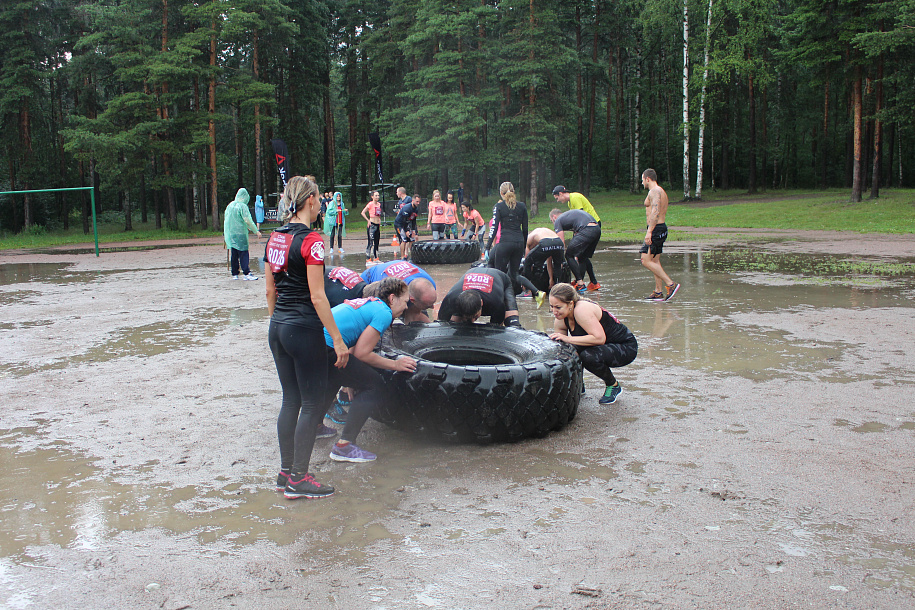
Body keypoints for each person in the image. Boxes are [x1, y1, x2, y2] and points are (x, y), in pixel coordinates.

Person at [264, 176, 349, 500]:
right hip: (302, 327)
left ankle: (286, 472)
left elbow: (270, 289)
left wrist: (280, 322)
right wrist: (338, 340)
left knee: (291, 400)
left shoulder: (276, 236)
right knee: (313, 403)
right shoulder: (312, 240)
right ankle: (299, 478)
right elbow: (318, 296)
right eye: (318, 200)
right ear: (311, 199)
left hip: (278, 327)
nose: (320, 205)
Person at [322, 277, 417, 462]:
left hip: (314, 343)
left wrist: (350, 379)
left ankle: (317, 427)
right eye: (405, 302)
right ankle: (344, 446)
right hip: (326, 347)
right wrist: (396, 365)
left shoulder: (370, 304)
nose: (406, 308)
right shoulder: (383, 312)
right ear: (392, 298)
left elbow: (351, 344)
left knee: (337, 375)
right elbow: (362, 354)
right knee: (375, 385)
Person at [547, 283, 637, 405]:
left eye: (558, 307)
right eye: (551, 306)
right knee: (566, 351)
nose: (554, 311)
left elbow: (599, 338)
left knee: (588, 356)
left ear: (570, 304)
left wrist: (568, 339)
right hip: (602, 345)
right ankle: (578, 384)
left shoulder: (581, 310)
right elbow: (562, 345)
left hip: (625, 347)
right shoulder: (561, 317)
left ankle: (613, 385)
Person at [485, 181, 544, 307]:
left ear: (501, 193)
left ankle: (499, 301)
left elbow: (494, 228)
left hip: (505, 243)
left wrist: (487, 246)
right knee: (514, 274)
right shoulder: (522, 206)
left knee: (498, 273)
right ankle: (537, 293)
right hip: (518, 242)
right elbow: (526, 229)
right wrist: (523, 247)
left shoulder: (499, 207)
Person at [640, 169, 680, 301]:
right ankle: (658, 291)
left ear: (647, 179)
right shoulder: (658, 191)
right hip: (659, 228)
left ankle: (670, 284)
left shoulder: (655, 191)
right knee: (655, 261)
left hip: (656, 229)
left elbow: (655, 212)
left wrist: (649, 232)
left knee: (645, 260)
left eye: (642, 179)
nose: (641, 183)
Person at [437, 267, 522, 327]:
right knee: (454, 324)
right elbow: (440, 324)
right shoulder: (450, 299)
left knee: (512, 323)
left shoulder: (496, 302)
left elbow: (497, 329)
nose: (473, 321)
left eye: (475, 316)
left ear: (481, 303)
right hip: (472, 272)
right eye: (468, 317)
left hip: (501, 278)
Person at [361, 259, 438, 323]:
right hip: (369, 278)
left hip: (398, 268)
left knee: (414, 315)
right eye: (428, 305)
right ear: (412, 300)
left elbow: (414, 315)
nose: (432, 307)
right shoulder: (391, 291)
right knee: (386, 316)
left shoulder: (430, 283)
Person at [550, 208, 601, 293]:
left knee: (569, 255)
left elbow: (561, 242)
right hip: (596, 229)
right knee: (582, 256)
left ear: (554, 217)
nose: (553, 223)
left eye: (552, 220)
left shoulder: (558, 220)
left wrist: (561, 259)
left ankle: (580, 283)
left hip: (586, 229)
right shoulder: (569, 217)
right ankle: (594, 283)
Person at [223, 187, 262, 280]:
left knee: (234, 254)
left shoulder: (230, 205)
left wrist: (226, 233)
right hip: (240, 233)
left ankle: (235, 274)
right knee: (243, 253)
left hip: (231, 233)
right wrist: (256, 230)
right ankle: (246, 273)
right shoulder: (242, 206)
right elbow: (247, 220)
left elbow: (226, 220)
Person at [523, 227, 566, 292]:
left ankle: (527, 290)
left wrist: (526, 278)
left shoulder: (527, 240)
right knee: (558, 265)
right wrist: (551, 279)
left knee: (527, 262)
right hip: (559, 242)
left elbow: (527, 262)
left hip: (546, 243)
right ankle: (557, 288)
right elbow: (549, 261)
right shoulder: (543, 233)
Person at [393, 193, 419, 260]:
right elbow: (404, 220)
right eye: (417, 201)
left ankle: (412, 256)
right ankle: (402, 257)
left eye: (419, 202)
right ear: (412, 200)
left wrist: (413, 230)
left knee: (412, 239)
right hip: (399, 224)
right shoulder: (407, 208)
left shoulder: (416, 209)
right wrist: (407, 231)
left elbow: (413, 220)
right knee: (404, 239)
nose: (418, 203)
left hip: (407, 223)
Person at [361, 190, 382, 263]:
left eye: (378, 195)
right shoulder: (370, 204)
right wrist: (368, 220)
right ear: (372, 196)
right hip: (372, 225)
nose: (377, 197)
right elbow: (363, 212)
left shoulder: (379, 204)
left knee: (377, 242)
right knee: (370, 242)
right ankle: (368, 258)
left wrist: (379, 220)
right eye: (376, 195)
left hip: (377, 224)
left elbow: (378, 214)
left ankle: (376, 257)